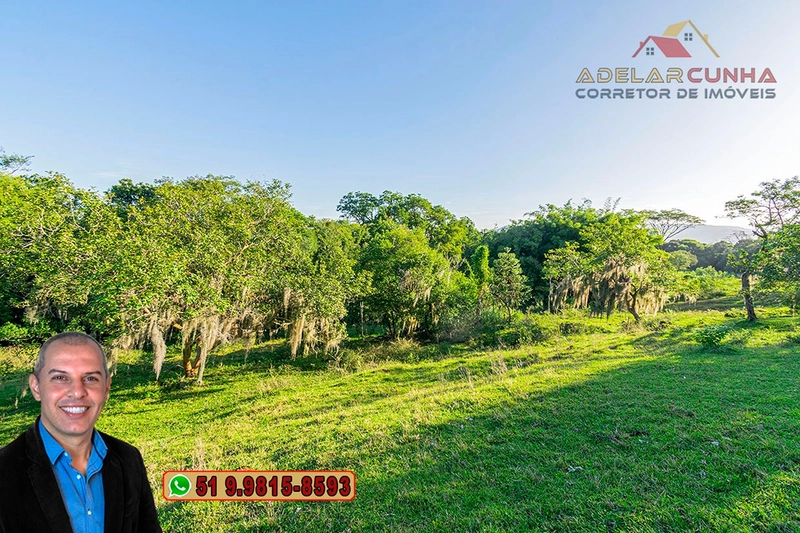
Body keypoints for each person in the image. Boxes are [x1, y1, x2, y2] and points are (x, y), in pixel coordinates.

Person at [0, 332, 161, 533]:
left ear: (106, 387)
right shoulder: (4, 470)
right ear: (36, 387)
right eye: (60, 377)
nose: (77, 392)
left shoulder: (128, 459)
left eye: (90, 378)